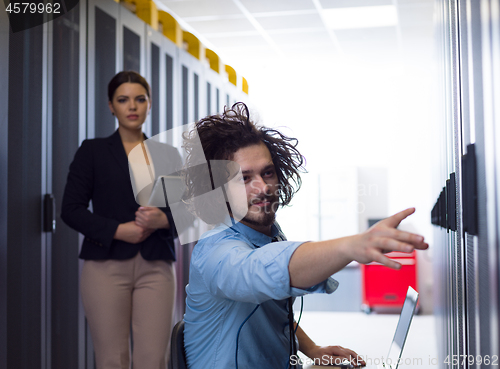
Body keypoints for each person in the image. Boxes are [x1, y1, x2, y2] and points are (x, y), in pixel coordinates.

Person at [182, 103, 429, 369]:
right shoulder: (214, 251)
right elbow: (259, 271)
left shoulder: (270, 236)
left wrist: (312, 349)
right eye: (244, 178)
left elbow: (271, 304)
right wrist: (351, 246)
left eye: (268, 172)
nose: (264, 187)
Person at [61, 71, 183, 369]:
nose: (132, 107)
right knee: (111, 360)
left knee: (154, 360)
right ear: (110, 106)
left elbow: (190, 212)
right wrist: (117, 230)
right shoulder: (92, 151)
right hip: (105, 266)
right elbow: (71, 209)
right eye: (123, 100)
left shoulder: (168, 155)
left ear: (149, 104)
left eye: (140, 99)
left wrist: (163, 220)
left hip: (156, 266)